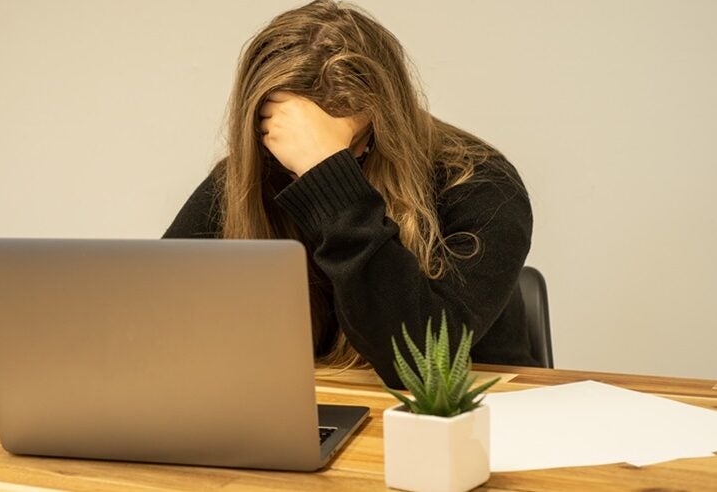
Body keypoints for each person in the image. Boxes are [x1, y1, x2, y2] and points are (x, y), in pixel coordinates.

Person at [164, 0, 537, 388]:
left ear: (388, 120)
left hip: (466, 422)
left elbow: (423, 365)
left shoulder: (479, 183)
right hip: (320, 408)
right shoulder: (252, 173)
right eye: (291, 148)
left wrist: (329, 175)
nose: (300, 167)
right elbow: (160, 320)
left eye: (354, 146)